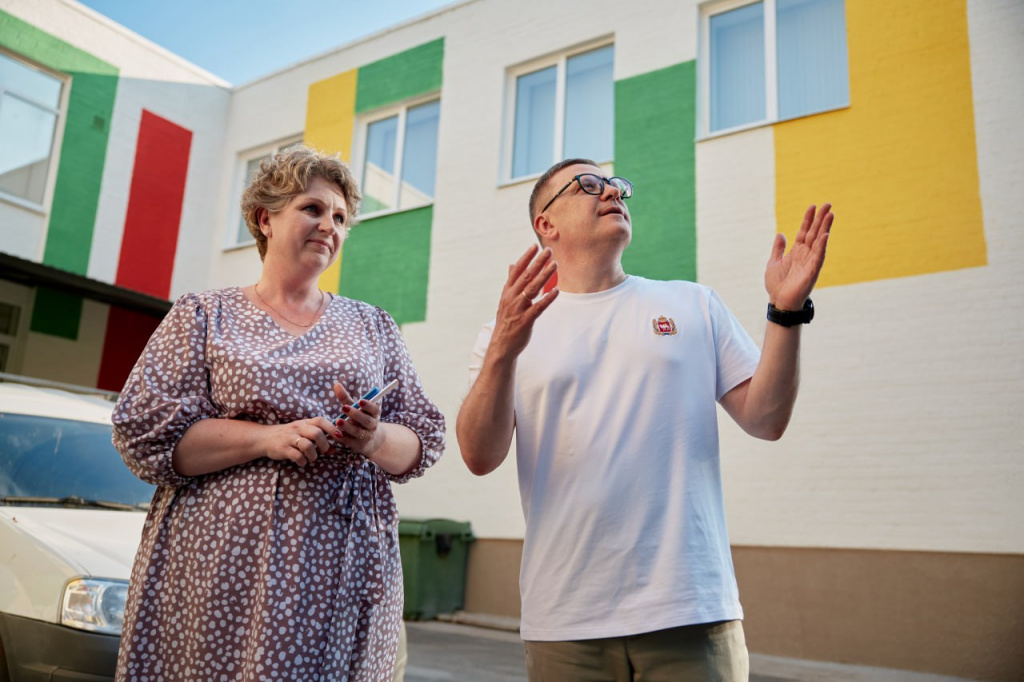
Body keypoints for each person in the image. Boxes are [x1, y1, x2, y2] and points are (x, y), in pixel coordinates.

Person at [456, 158, 833, 681]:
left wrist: (786, 313)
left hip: (691, 608)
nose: (611, 192)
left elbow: (766, 419)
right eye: (589, 185)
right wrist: (501, 350)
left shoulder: (692, 303)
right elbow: (478, 455)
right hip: (566, 618)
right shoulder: (511, 329)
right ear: (546, 224)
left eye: (616, 185)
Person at [112, 146, 445, 680]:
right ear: (265, 219)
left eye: (340, 217)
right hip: (220, 565)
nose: (329, 226)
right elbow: (145, 437)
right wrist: (266, 439)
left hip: (343, 569)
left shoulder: (374, 326)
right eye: (312, 209)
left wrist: (374, 438)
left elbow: (423, 442)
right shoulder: (203, 314)